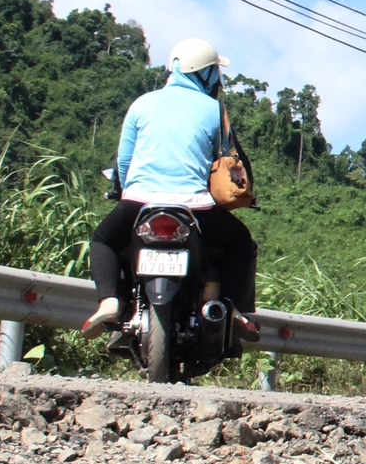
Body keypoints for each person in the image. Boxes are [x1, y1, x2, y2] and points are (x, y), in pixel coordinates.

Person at [83, 38, 259, 340]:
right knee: (242, 243)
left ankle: (110, 300)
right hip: (195, 207)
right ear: (203, 74)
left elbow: (124, 160)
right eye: (214, 72)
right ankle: (232, 309)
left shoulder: (142, 103)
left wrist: (125, 191)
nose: (217, 79)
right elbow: (228, 162)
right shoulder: (213, 110)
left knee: (103, 241)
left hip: (139, 203)